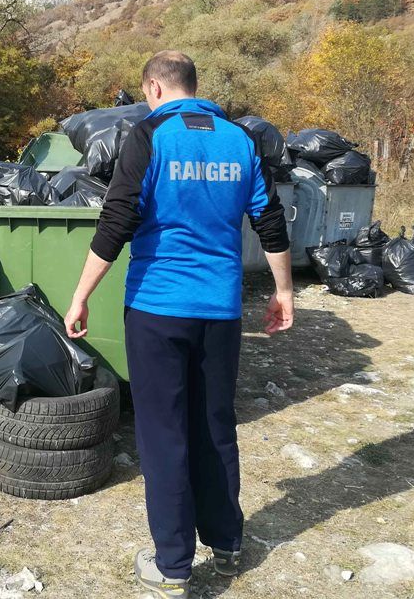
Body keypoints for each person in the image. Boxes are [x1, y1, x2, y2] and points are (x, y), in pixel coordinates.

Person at [63, 50, 293, 598]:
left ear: (153, 89)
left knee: (164, 431)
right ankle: (228, 543)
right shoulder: (241, 140)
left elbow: (117, 220)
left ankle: (171, 563)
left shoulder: (147, 136)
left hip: (158, 308)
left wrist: (79, 298)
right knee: (214, 423)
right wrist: (284, 292)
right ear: (195, 85)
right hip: (219, 311)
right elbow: (269, 219)